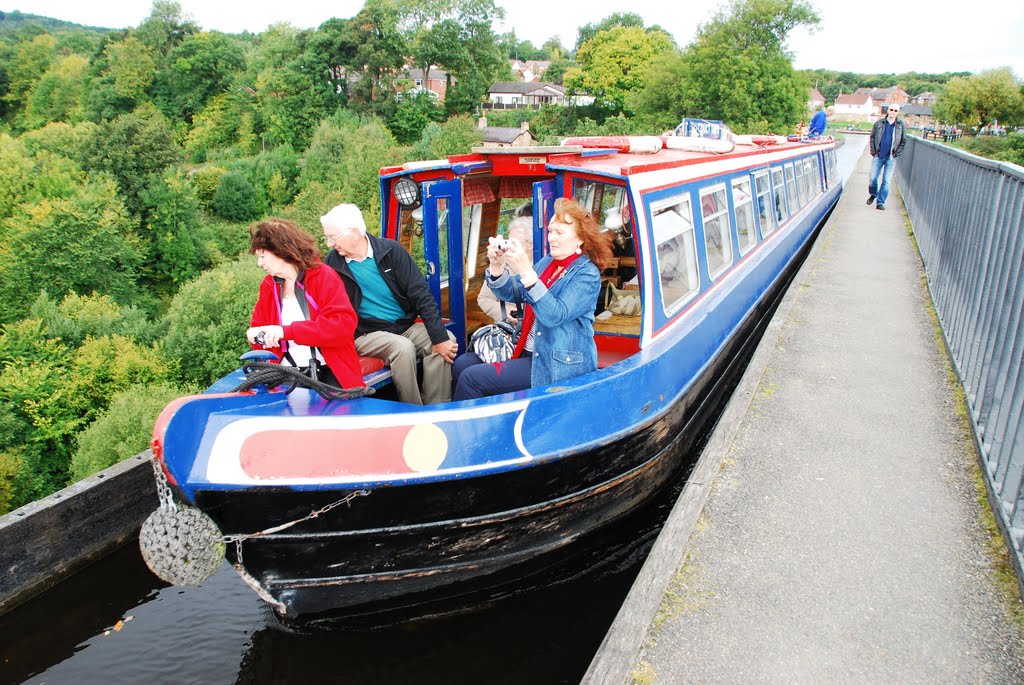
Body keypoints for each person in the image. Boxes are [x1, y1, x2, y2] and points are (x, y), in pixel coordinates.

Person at [452, 197, 613, 401]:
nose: (552, 238)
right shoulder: (548, 263)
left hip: (556, 363)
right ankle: (492, 420)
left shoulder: (586, 275)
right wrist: (497, 266)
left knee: (471, 379)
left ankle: (468, 430)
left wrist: (527, 272)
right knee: (463, 364)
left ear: (580, 238)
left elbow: (555, 315)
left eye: (560, 233)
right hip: (529, 350)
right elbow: (511, 292)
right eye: (550, 231)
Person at [320, 203, 458, 405]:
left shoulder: (390, 251)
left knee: (446, 339)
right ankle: (413, 412)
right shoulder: (331, 266)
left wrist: (439, 338)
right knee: (402, 348)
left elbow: (421, 294)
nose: (329, 244)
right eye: (327, 238)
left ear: (355, 232)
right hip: (364, 334)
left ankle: (437, 406)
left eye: (332, 237)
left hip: (403, 326)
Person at [246, 218, 365, 389]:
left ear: (281, 251)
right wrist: (257, 335)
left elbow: (342, 326)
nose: (260, 263)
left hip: (329, 374)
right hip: (284, 375)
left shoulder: (323, 276)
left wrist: (286, 332)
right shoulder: (268, 285)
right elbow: (259, 329)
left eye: (263, 256)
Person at [477, 216, 534, 324]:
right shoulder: (503, 265)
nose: (508, 247)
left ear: (530, 245)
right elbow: (483, 298)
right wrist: (503, 311)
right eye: (508, 241)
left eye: (514, 242)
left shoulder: (543, 265)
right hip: (511, 331)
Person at [867, 103, 907, 211]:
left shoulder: (900, 125)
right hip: (878, 155)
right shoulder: (878, 123)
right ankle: (873, 194)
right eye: (891, 110)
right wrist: (873, 151)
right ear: (888, 110)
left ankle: (880, 202)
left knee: (886, 181)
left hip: (891, 157)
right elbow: (872, 137)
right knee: (873, 178)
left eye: (895, 110)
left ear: (898, 112)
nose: (893, 112)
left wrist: (897, 153)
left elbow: (903, 140)